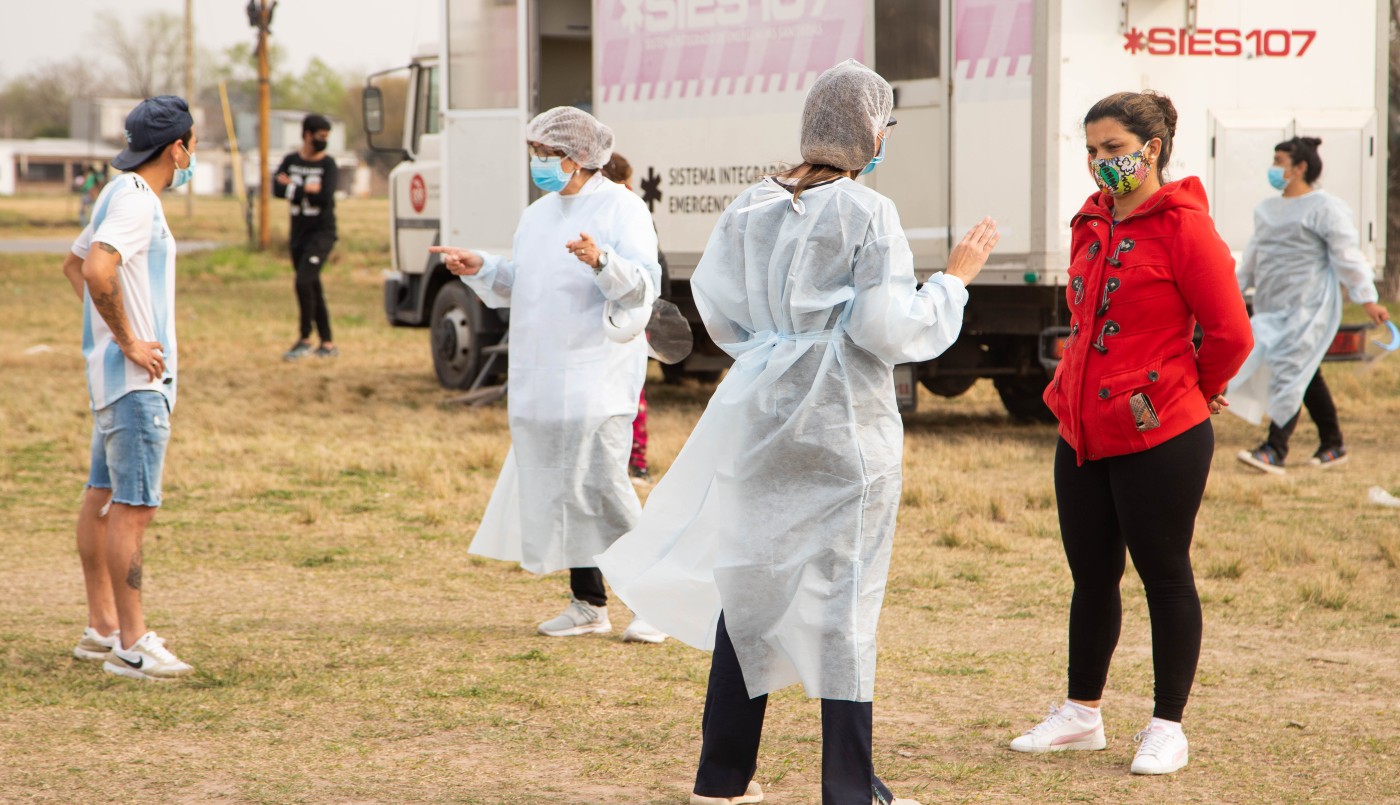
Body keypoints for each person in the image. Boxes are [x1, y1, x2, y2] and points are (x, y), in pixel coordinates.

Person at [597, 60, 995, 805]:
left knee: (748, 593)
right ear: (868, 130)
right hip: (843, 423)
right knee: (845, 602)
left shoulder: (749, 205)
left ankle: (721, 780)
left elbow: (717, 310)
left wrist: (776, 346)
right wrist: (954, 282)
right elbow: (885, 326)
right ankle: (848, 789)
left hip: (759, 414)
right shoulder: (867, 212)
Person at [1014, 91, 1252, 775]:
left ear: (1150, 150)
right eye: (1091, 150)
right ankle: (1080, 713)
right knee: (1091, 575)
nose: (1099, 163)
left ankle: (1166, 725)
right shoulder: (1089, 222)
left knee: (1164, 575)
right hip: (1082, 427)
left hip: (1162, 434)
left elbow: (1232, 333)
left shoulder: (1185, 228)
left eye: (1113, 149)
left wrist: (1191, 392)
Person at [429, 107, 668, 645]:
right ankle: (588, 603)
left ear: (579, 157)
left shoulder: (622, 209)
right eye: (534, 153)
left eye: (546, 153)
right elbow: (526, 281)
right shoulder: (537, 215)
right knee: (560, 488)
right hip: (540, 375)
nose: (538, 163)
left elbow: (641, 289)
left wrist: (601, 260)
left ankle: (654, 600)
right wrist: (483, 268)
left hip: (596, 376)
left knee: (604, 488)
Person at [59, 95, 200, 681]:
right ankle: (133, 643)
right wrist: (129, 341)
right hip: (137, 386)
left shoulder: (116, 192)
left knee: (101, 499)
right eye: (192, 145)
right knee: (133, 508)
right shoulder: (140, 201)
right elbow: (95, 270)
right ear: (178, 149)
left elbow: (74, 265)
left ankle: (103, 629)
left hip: (111, 385)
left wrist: (108, 336)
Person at [1229, 136, 1391, 473]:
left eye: (1279, 161)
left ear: (1300, 167)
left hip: (1310, 308)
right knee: (1304, 372)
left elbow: (1347, 256)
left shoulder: (1325, 208)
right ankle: (1333, 444)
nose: (1274, 168)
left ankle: (1275, 449)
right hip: (1272, 308)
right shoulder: (1266, 210)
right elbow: (1252, 261)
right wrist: (1230, 294)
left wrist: (1367, 299)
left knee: (1289, 371)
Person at [600, 151, 669, 485]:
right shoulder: (628, 209)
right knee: (633, 392)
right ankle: (634, 462)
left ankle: (632, 462)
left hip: (627, 319)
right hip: (636, 318)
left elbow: (653, 270)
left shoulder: (624, 210)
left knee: (627, 391)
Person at [275, 113, 340, 360]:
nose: (324, 141)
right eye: (320, 136)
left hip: (322, 234)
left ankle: (304, 338)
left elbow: (325, 197)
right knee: (312, 285)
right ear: (307, 135)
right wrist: (304, 189)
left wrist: (292, 188)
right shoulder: (291, 160)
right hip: (298, 235)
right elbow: (276, 188)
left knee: (303, 282)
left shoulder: (328, 165)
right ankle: (328, 343)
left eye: (327, 137)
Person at [78, 162, 105, 228]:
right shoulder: (87, 175)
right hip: (86, 194)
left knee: (92, 211)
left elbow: (100, 182)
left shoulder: (94, 175)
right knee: (83, 212)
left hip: (90, 194)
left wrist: (96, 191)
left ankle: (92, 225)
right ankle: (86, 226)